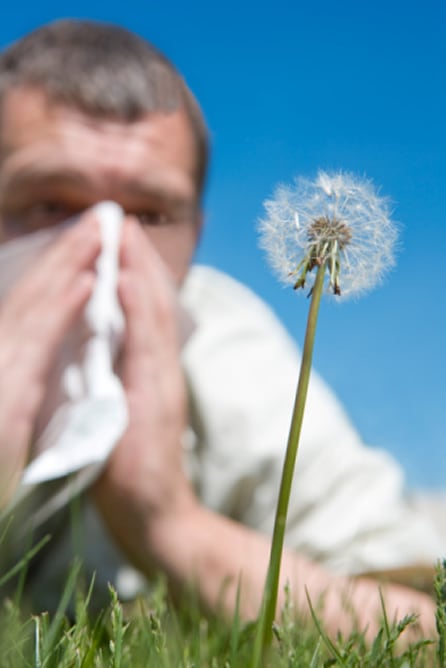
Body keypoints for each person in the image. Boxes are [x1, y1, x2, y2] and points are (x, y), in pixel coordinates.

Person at [0, 19, 444, 641]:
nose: (103, 245)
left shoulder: (232, 357)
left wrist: (171, 523)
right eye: (51, 204)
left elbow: (421, 628)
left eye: (149, 214)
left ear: (195, 234)